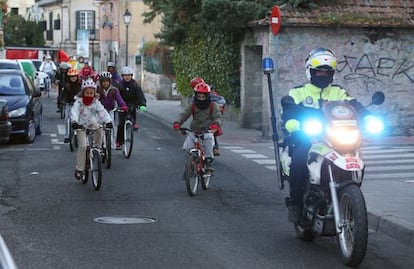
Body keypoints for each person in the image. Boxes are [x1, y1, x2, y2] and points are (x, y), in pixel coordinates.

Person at [281, 48, 371, 223]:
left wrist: (368, 116)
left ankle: (350, 196)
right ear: (310, 72)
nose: (322, 74)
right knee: (299, 159)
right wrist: (294, 124)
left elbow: (354, 106)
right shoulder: (298, 92)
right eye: (318, 71)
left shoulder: (339, 92)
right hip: (308, 138)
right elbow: (289, 113)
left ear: (332, 74)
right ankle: (296, 203)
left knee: (358, 157)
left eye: (326, 71)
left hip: (335, 138)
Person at [173, 82, 223, 174]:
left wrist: (216, 124)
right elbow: (184, 114)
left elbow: (218, 116)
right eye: (199, 96)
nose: (201, 99)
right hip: (194, 130)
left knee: (208, 139)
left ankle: (208, 162)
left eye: (203, 97)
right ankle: (191, 164)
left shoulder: (213, 105)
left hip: (207, 130)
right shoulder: (193, 105)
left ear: (207, 96)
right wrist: (177, 123)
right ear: (195, 96)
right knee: (187, 147)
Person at [70, 79, 113, 180]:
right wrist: (74, 122)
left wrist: (108, 121)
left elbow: (102, 112)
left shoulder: (96, 102)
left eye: (91, 93)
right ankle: (79, 169)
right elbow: (74, 112)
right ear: (83, 92)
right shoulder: (79, 102)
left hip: (92, 122)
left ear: (94, 93)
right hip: (81, 125)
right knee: (83, 146)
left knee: (99, 128)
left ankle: (98, 147)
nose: (89, 95)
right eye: (87, 93)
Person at [116, 66, 147, 149]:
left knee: (133, 110)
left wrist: (142, 105)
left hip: (133, 103)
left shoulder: (135, 85)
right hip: (122, 105)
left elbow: (140, 96)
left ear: (131, 76)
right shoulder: (120, 85)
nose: (127, 77)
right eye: (125, 75)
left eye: (129, 75)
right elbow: (117, 96)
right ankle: (119, 141)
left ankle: (133, 122)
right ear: (122, 76)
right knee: (121, 124)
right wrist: (117, 105)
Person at [61, 68, 82, 143]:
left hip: (79, 104)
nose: (73, 78)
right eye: (71, 77)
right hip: (69, 104)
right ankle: (67, 136)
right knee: (67, 118)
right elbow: (63, 95)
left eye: (74, 76)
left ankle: (80, 134)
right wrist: (62, 101)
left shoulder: (80, 84)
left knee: (81, 118)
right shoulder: (67, 85)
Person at [209, 84, 226, 156]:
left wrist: (218, 105)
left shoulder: (216, 97)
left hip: (213, 118)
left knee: (213, 133)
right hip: (203, 118)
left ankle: (215, 148)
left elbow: (222, 102)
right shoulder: (201, 97)